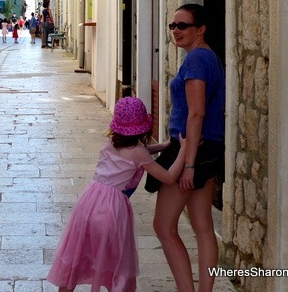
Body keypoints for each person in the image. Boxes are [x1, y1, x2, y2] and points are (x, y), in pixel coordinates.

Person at [47, 97, 186, 292]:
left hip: (89, 203)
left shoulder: (110, 142)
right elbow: (169, 177)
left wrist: (162, 146)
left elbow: (135, 154)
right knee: (117, 264)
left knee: (78, 256)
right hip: (111, 210)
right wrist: (184, 151)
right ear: (142, 128)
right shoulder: (139, 154)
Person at [144, 3, 225, 292]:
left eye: (183, 26)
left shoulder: (196, 61)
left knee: (164, 226)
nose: (175, 31)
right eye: (172, 26)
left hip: (191, 152)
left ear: (200, 29)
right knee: (203, 226)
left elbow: (197, 112)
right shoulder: (208, 57)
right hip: (208, 147)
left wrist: (188, 162)